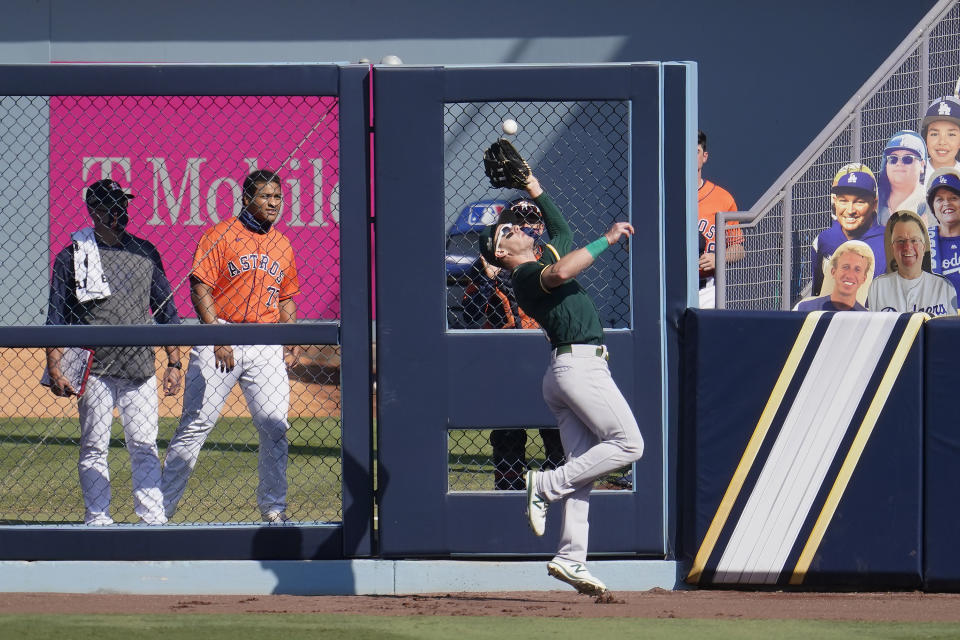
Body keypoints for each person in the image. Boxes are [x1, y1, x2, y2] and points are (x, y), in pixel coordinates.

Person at [478, 161, 644, 596]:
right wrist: (607, 239)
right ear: (501, 251)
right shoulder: (527, 274)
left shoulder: (540, 255)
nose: (517, 228)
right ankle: (545, 484)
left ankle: (571, 558)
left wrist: (533, 185)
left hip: (570, 370)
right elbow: (563, 271)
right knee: (629, 445)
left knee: (581, 471)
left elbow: (562, 232)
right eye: (507, 231)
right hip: (579, 367)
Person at [161, 169, 301, 523]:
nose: (273, 203)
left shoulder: (282, 244)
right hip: (220, 332)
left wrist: (290, 335)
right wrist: (216, 336)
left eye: (277, 197)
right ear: (246, 199)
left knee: (275, 426)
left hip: (267, 340)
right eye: (266, 196)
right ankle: (159, 511)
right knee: (196, 424)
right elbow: (199, 288)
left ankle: (274, 509)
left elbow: (287, 297)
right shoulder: (220, 235)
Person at [45, 178, 182, 526]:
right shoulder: (72, 257)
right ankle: (97, 518)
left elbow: (166, 310)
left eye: (122, 204)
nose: (119, 212)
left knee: (144, 445)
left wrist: (174, 361)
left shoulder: (145, 251)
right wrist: (55, 366)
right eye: (110, 205)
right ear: (93, 211)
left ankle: (153, 519)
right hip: (95, 369)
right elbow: (56, 317)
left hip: (139, 368)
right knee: (93, 447)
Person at [462, 200, 565, 490]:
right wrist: (487, 279)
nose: (524, 226)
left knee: (555, 425)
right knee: (508, 427)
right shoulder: (492, 258)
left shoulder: (551, 257)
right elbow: (469, 313)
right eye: (516, 220)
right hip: (505, 353)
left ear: (541, 227)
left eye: (531, 220)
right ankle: (509, 485)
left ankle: (554, 480)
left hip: (545, 347)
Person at [811, 164, 886, 300]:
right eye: (843, 201)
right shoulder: (824, 240)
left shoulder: (890, 241)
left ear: (874, 204)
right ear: (835, 202)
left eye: (859, 202)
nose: (850, 210)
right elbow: (819, 292)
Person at [867, 209, 957, 316]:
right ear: (893, 248)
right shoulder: (878, 287)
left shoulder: (944, 287)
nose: (908, 247)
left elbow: (952, 330)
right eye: (900, 241)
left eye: (914, 240)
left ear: (923, 247)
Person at [697, 130, 744, 308]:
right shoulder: (664, 197)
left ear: (705, 156)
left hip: (707, 288)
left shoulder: (722, 198)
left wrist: (719, 257)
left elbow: (738, 249)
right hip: (670, 285)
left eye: (697, 151)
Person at [795, 241, 872, 311]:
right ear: (833, 271)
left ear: (864, 278)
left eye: (857, 270)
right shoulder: (804, 309)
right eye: (845, 267)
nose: (850, 275)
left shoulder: (868, 320)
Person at [877, 130, 928, 226]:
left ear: (922, 165)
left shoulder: (930, 202)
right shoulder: (874, 198)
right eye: (893, 159)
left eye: (907, 159)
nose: (899, 164)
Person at [926, 168, 960, 297]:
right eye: (939, 199)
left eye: (953, 198)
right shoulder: (923, 243)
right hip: (936, 316)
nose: (946, 203)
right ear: (933, 207)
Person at [921, 96, 960, 188]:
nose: (942, 142)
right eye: (934, 134)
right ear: (925, 138)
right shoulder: (912, 174)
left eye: (951, 135)